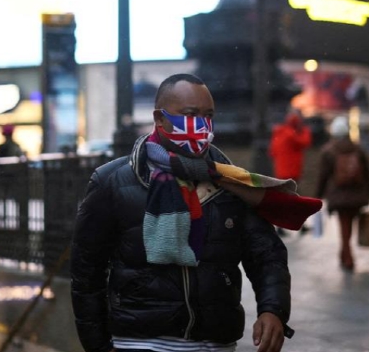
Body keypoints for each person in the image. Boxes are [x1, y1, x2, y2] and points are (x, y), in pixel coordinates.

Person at [71, 74, 322, 352]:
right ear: (159, 118)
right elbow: (87, 273)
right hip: (139, 341)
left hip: (215, 341)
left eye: (208, 115)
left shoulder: (231, 183)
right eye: (190, 114)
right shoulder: (113, 182)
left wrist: (273, 309)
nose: (200, 125)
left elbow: (266, 254)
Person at [315, 116, 369, 270]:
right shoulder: (358, 149)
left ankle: (348, 258)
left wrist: (317, 196)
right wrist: (368, 194)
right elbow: (367, 173)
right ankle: (344, 254)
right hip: (357, 194)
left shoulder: (328, 151)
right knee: (348, 225)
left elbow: (323, 176)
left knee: (344, 225)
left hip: (339, 195)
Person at [269, 109, 313, 235]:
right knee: (294, 199)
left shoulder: (279, 132)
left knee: (287, 199)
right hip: (292, 172)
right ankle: (294, 225)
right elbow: (305, 142)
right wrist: (305, 129)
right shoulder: (291, 134)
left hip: (281, 171)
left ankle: (285, 226)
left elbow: (272, 152)